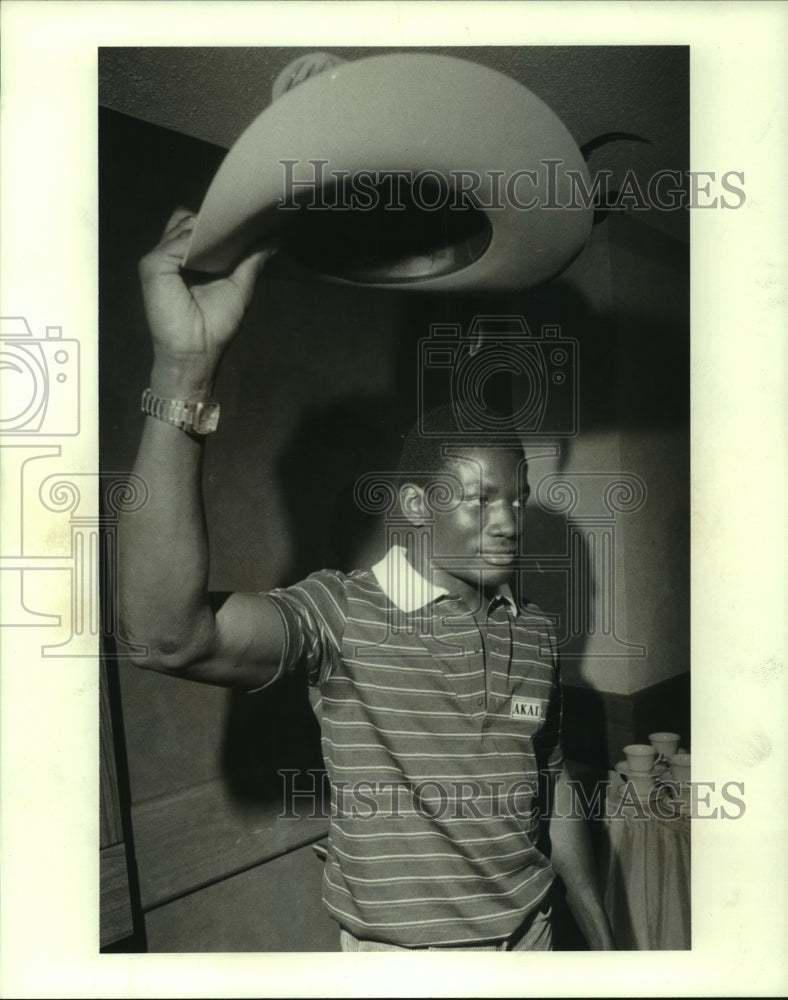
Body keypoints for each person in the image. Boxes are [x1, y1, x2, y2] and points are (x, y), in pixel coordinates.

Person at [118, 207, 615, 952]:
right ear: (416, 505)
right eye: (480, 500)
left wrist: (606, 937)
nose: (509, 521)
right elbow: (166, 638)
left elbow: (551, 782)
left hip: (534, 938)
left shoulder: (534, 630)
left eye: (518, 499)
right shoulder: (343, 614)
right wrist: (183, 370)